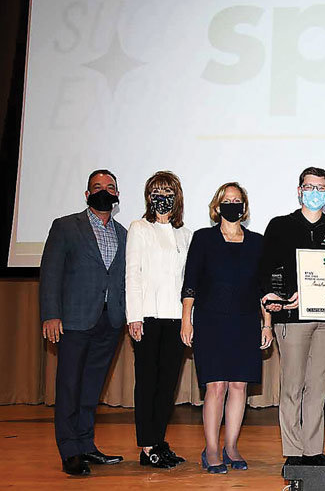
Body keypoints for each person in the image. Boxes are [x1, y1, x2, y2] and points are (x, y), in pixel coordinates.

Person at [258, 167, 325, 468]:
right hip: (291, 319)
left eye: (321, 188)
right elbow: (267, 273)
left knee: (317, 387)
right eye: (309, 187)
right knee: (292, 386)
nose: (315, 192)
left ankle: (313, 451)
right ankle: (294, 452)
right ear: (299, 191)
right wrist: (276, 305)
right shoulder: (279, 226)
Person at [40, 169, 127, 476]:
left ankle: (87, 444)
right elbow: (50, 272)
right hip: (74, 320)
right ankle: (69, 450)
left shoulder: (125, 233)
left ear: (117, 195)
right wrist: (51, 314)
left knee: (92, 387)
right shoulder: (66, 227)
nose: (105, 191)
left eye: (110, 187)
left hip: (111, 321)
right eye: (98, 187)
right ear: (88, 194)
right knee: (69, 386)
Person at [181, 182, 271, 474]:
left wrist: (267, 323)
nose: (232, 204)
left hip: (245, 321)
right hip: (210, 321)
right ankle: (211, 448)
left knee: (239, 386)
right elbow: (191, 283)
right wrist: (186, 319)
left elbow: (264, 288)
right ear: (217, 206)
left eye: (238, 200)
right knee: (216, 387)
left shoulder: (257, 242)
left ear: (244, 207)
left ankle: (231, 445)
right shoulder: (203, 238)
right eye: (227, 199)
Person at [125, 171, 192, 468]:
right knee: (148, 383)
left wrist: (189, 319)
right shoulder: (139, 228)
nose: (162, 197)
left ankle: (160, 441)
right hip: (148, 317)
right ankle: (146, 447)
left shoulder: (185, 234)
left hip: (176, 318)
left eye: (168, 191)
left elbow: (190, 282)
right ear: (148, 197)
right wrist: (134, 317)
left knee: (168, 385)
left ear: (176, 198)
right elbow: (133, 274)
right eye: (156, 191)